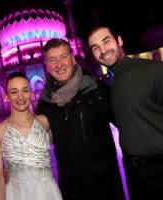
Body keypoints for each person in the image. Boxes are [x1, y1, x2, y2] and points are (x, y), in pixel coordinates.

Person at [87, 26, 163, 200]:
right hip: (134, 174)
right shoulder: (113, 85)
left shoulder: (155, 71)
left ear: (119, 41)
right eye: (95, 47)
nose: (103, 50)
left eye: (106, 41)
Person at [36, 38, 125, 199]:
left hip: (104, 185)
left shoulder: (96, 89)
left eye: (63, 57)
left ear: (72, 58)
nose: (59, 64)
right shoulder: (46, 102)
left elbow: (127, 124)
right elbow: (35, 144)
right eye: (52, 60)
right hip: (72, 188)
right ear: (46, 66)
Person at [0, 72, 62, 200]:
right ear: (6, 97)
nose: (21, 96)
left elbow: (66, 147)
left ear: (31, 93)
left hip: (48, 194)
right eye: (14, 92)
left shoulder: (44, 122)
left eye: (25, 90)